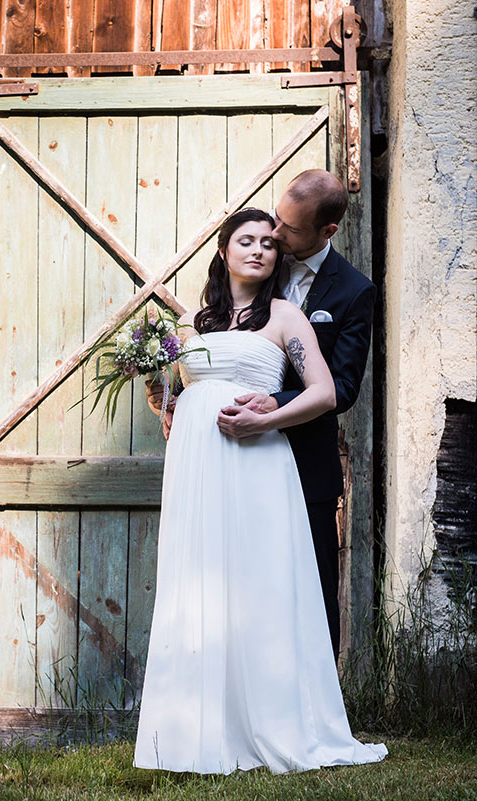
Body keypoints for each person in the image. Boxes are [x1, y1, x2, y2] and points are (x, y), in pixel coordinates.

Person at [132, 207, 386, 774]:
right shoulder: (192, 325)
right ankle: (192, 729)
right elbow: (174, 391)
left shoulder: (287, 318)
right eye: (245, 241)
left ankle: (270, 722)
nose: (258, 250)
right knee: (199, 583)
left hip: (258, 461)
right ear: (223, 252)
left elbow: (324, 393)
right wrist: (168, 403)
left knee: (259, 585)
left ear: (278, 258)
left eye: (269, 244)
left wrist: (264, 422)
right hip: (199, 467)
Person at [151, 169, 376, 660]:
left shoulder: (351, 291)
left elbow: (341, 386)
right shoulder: (208, 314)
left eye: (286, 232)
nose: (272, 236)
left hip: (301, 457)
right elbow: (182, 375)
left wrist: (273, 404)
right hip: (218, 460)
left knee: (307, 585)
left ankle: (314, 704)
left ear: (326, 232)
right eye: (273, 221)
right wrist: (171, 404)